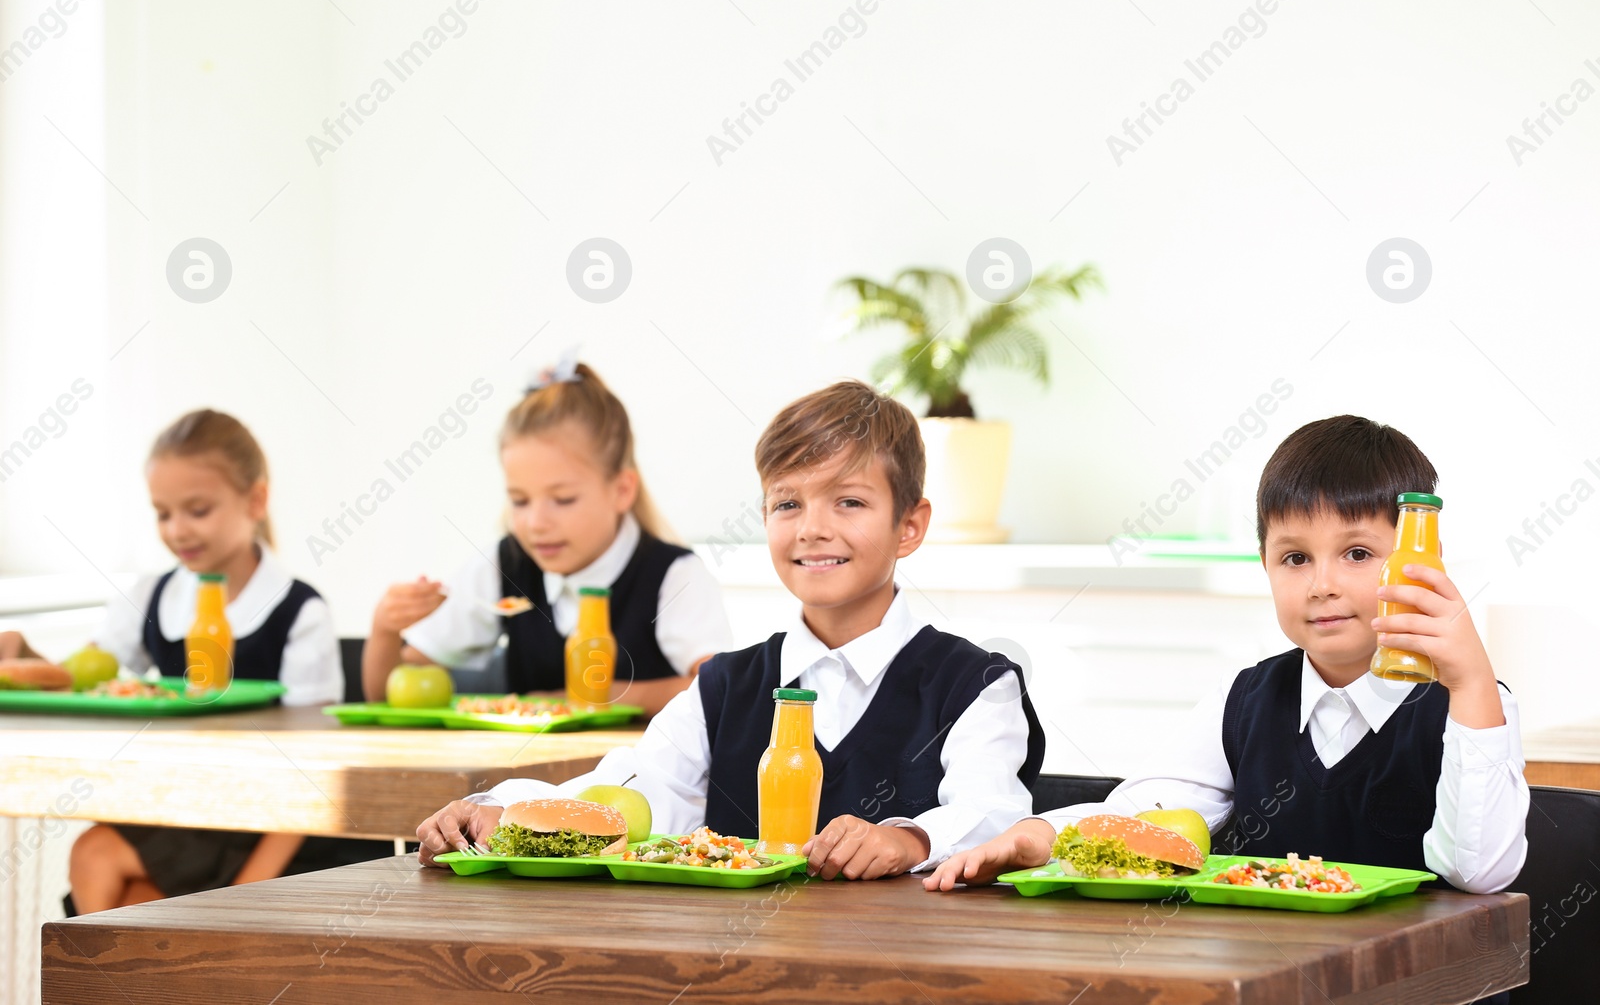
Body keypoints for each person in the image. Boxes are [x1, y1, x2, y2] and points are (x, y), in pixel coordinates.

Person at [416, 379, 1046, 880]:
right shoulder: (725, 685)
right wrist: (506, 809)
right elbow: (639, 784)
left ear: (909, 526)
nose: (812, 528)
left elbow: (994, 811)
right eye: (787, 502)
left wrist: (909, 838)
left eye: (849, 501)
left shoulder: (975, 684)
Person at [927, 414, 1528, 900]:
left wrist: (1472, 682)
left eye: (1357, 553)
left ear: (1417, 558)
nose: (1322, 584)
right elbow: (1146, 814)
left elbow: (1480, 873)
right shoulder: (1245, 700)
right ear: (1264, 563)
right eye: (1295, 558)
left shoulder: (1471, 707)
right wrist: (1039, 836)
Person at [65, 409, 343, 913]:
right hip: (187, 807)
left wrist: (248, 890)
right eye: (163, 513)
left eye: (197, 510)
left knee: (103, 862)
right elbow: (87, 672)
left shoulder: (298, 611)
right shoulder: (152, 595)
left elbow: (314, 770)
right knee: (112, 878)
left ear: (255, 500)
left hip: (273, 822)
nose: (178, 531)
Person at [363, 361, 733, 715]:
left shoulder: (673, 574)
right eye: (519, 501)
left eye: (563, 500)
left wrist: (590, 698)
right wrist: (385, 628)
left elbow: (718, 689)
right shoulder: (504, 567)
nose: (536, 523)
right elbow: (385, 694)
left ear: (621, 490)